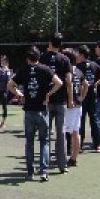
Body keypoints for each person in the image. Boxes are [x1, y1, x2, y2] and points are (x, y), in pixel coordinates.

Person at [8, 47, 63, 182]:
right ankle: (44, 171)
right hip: (42, 110)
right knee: (44, 142)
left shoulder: (23, 70)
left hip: (29, 110)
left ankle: (30, 172)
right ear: (39, 57)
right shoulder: (45, 69)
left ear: (28, 59)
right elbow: (59, 82)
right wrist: (49, 94)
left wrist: (19, 95)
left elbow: (10, 84)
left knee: (29, 142)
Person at [40, 33, 73, 174]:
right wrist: (70, 99)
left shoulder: (42, 57)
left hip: (46, 100)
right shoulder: (65, 59)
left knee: (45, 133)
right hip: (61, 101)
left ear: (50, 43)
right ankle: (62, 165)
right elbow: (68, 81)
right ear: (60, 45)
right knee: (61, 133)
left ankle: (44, 165)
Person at [77, 45, 100, 152]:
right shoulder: (94, 64)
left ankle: (79, 145)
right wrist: (96, 84)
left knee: (81, 120)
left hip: (82, 96)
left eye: (78, 54)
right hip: (93, 96)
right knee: (94, 120)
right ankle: (97, 145)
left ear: (82, 55)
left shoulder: (78, 66)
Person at [62, 48, 88, 167]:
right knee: (75, 131)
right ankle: (74, 158)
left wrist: (71, 100)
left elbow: (69, 84)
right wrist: (81, 97)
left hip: (70, 106)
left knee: (64, 131)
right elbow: (86, 84)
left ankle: (62, 156)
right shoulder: (78, 71)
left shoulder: (68, 72)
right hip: (78, 105)